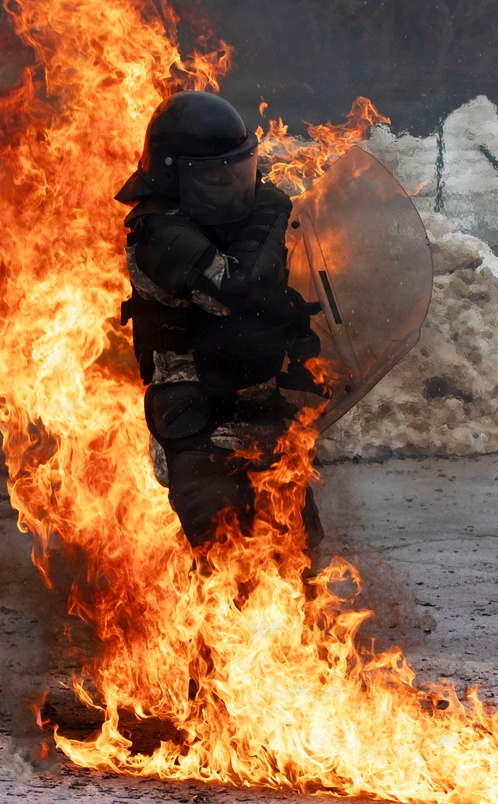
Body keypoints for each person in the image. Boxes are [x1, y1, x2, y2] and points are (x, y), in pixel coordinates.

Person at [115, 90, 324, 549]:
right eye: (216, 175)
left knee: (298, 557)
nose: (233, 185)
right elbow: (236, 291)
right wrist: (270, 215)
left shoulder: (234, 222)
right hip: (200, 426)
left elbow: (278, 300)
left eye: (238, 171)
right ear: (175, 176)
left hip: (261, 412)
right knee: (227, 560)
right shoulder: (158, 233)